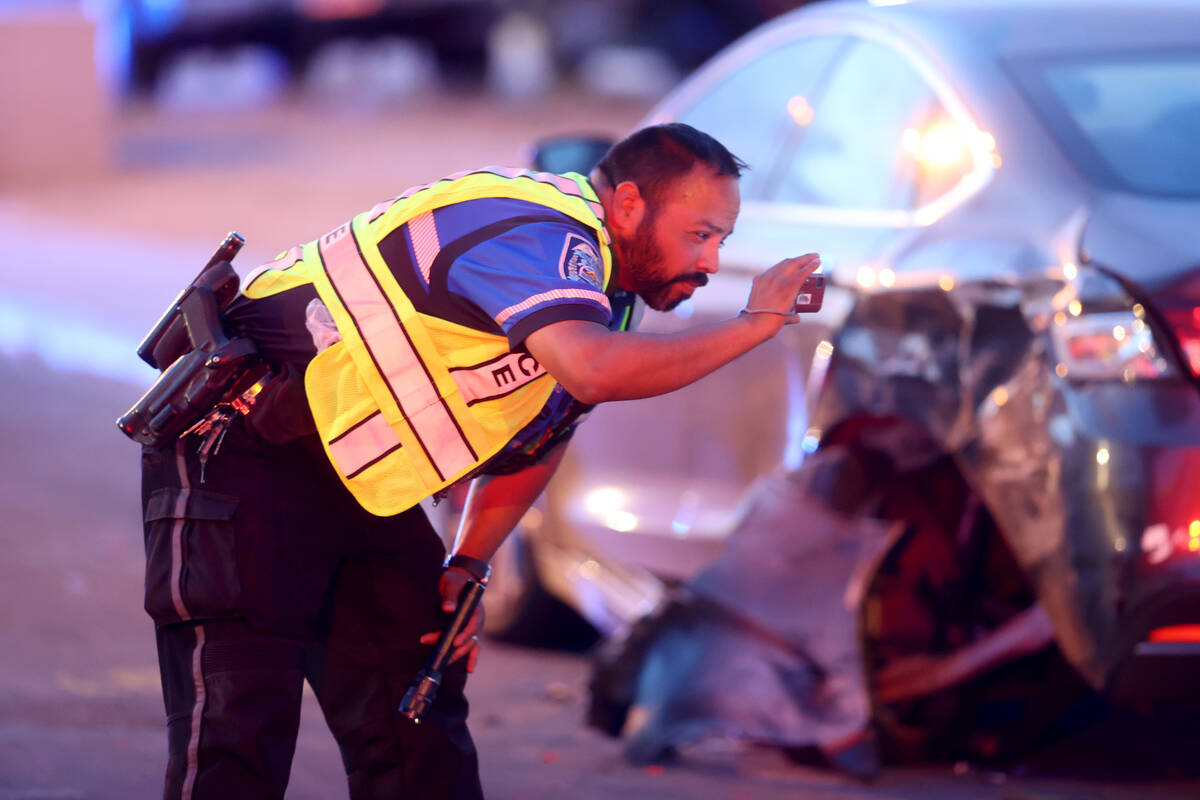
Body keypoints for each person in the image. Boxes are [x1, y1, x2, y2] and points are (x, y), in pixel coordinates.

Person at [137, 122, 821, 799]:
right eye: (699, 235)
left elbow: (542, 432)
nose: (708, 262)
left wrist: (468, 564)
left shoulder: (608, 294)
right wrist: (752, 326)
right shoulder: (533, 228)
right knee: (238, 737)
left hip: (362, 482)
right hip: (242, 450)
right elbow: (591, 373)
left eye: (720, 241)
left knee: (417, 724)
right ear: (631, 205)